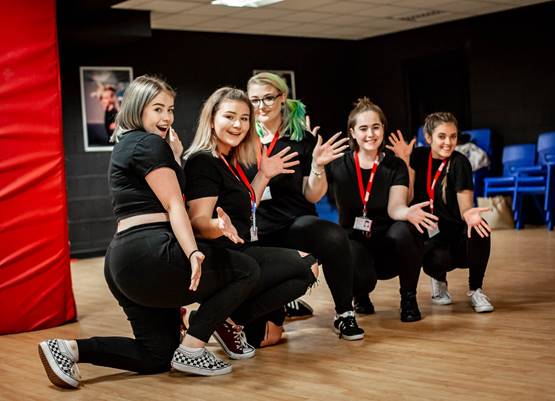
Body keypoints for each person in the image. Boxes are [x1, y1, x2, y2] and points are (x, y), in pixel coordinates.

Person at [37, 75, 261, 389]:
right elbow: (173, 205)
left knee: (155, 354)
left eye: (169, 109)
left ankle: (69, 349)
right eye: (157, 109)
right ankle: (194, 348)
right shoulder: (148, 143)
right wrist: (193, 251)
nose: (167, 117)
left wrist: (174, 157)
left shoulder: (126, 144)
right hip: (152, 251)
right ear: (137, 108)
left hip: (122, 261)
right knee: (247, 270)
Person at [183, 86, 317, 350]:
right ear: (211, 119)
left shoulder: (229, 160)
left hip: (241, 249)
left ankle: (219, 318)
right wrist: (218, 226)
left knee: (270, 336)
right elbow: (197, 223)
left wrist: (264, 175)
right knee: (307, 266)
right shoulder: (203, 161)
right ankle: (215, 319)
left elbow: (247, 204)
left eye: (244, 118)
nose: (238, 124)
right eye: (230, 117)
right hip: (222, 259)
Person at [245, 72, 364, 340]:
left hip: (293, 223)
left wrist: (318, 167)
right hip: (256, 231)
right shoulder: (242, 139)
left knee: (333, 236)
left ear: (282, 98)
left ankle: (345, 314)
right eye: (254, 100)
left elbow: (313, 195)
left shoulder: (302, 139)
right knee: (266, 336)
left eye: (268, 98)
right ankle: (282, 301)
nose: (261, 106)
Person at [328, 98, 438, 322]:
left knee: (406, 230)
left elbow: (396, 207)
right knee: (361, 274)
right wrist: (316, 166)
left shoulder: (395, 165)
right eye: (363, 128)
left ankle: (408, 300)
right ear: (353, 132)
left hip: (386, 242)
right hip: (354, 241)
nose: (370, 134)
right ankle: (360, 294)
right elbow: (313, 194)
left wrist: (407, 213)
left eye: (376, 127)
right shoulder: (338, 163)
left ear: (383, 129)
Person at [398, 112, 494, 313]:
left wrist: (470, 215)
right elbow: (406, 200)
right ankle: (439, 280)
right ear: (429, 137)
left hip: (454, 235)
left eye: (453, 136)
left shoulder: (460, 162)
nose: (448, 142)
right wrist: (406, 163)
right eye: (442, 136)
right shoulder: (416, 157)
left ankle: (476, 290)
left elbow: (465, 208)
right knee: (436, 260)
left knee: (479, 227)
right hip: (429, 237)